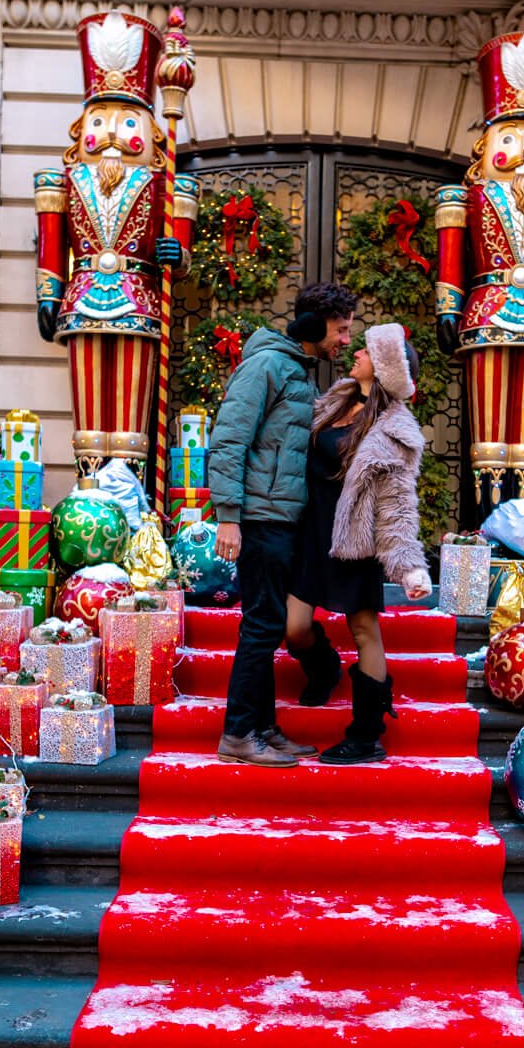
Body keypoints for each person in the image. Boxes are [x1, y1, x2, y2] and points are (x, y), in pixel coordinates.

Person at [209, 281, 357, 766]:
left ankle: (263, 727)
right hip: (261, 517)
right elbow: (229, 440)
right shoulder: (267, 365)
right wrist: (228, 517)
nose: (345, 340)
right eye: (341, 329)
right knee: (260, 626)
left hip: (285, 518)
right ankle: (237, 734)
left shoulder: (298, 371)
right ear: (314, 326)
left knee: (269, 624)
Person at [286, 322, 433, 764]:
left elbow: (397, 505)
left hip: (355, 540)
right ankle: (324, 666)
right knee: (293, 627)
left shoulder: (395, 430)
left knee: (365, 630)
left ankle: (366, 735)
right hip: (311, 533)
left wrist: (409, 566)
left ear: (384, 366)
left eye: (367, 350)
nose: (356, 353)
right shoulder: (337, 399)